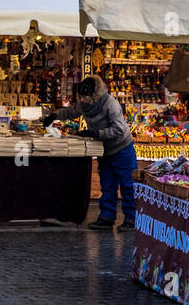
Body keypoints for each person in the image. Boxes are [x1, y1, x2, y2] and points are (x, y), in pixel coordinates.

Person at [45, 74, 137, 230]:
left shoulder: (110, 104)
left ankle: (132, 219)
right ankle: (106, 218)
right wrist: (54, 116)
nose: (82, 101)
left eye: (86, 98)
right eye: (81, 97)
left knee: (127, 185)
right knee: (107, 184)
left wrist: (96, 134)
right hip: (105, 151)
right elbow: (72, 112)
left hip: (122, 148)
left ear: (95, 96)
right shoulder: (83, 103)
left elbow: (119, 129)